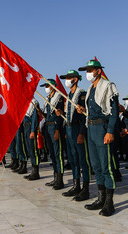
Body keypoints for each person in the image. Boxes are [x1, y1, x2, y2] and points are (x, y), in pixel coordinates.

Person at [76, 58, 119, 216]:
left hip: (102, 128)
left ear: (98, 71)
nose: (88, 73)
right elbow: (92, 111)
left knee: (107, 167)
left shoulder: (108, 86)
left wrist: (110, 131)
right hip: (91, 128)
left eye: (90, 70)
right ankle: (101, 199)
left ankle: (109, 202)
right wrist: (83, 111)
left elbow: (114, 112)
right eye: (86, 71)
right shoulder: (90, 89)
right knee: (97, 166)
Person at [57, 70, 90, 201]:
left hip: (78, 128)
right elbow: (69, 115)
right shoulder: (69, 95)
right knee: (73, 159)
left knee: (83, 160)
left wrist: (82, 133)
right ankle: (76, 185)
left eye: (69, 78)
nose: (67, 80)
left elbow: (83, 115)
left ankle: (85, 188)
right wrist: (62, 114)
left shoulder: (81, 94)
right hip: (69, 129)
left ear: (75, 79)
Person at [41, 79, 65, 190]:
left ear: (53, 86)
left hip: (55, 127)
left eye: (47, 85)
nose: (46, 87)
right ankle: (55, 177)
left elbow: (59, 116)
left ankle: (60, 180)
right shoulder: (48, 99)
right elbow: (48, 115)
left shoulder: (58, 98)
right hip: (48, 126)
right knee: (52, 154)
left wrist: (57, 130)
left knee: (57, 154)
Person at [23, 98, 41, 180]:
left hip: (30, 127)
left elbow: (34, 118)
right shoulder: (25, 102)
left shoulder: (34, 102)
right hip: (26, 127)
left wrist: (33, 130)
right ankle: (33, 171)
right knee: (29, 150)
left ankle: (36, 172)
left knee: (34, 151)